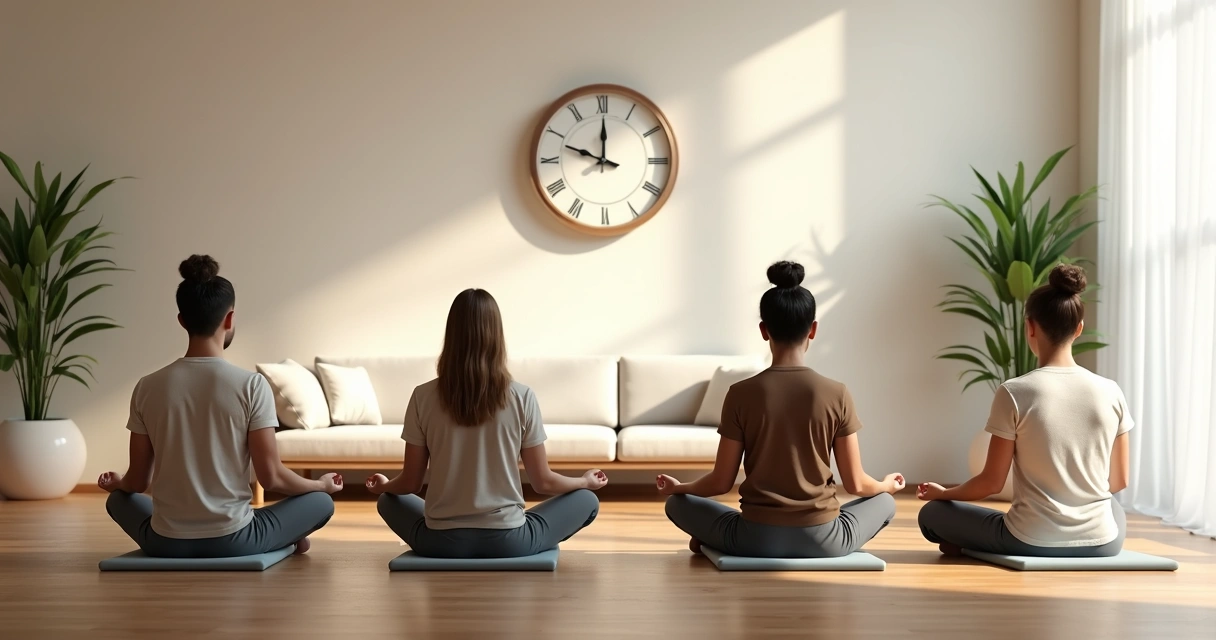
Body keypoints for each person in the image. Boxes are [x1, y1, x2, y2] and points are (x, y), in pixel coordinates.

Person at [100, 255, 343, 557]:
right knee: (320, 503)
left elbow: (137, 481)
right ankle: (286, 537)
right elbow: (272, 478)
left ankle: (284, 536)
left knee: (117, 500)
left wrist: (117, 483)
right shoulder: (252, 386)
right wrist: (320, 486)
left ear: (182, 321)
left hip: (165, 541)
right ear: (229, 319)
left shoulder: (147, 386)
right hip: (235, 539)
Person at [657, 261, 904, 558]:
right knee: (885, 502)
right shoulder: (837, 393)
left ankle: (713, 539)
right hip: (826, 540)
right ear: (812, 330)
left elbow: (720, 482)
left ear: (764, 330)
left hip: (754, 538)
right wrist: (887, 485)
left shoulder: (740, 394)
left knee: (677, 503)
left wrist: (680, 487)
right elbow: (856, 483)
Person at [367, 288, 606, 558]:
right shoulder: (522, 396)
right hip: (510, 541)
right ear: (497, 336)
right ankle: (536, 542)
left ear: (452, 334)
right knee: (587, 500)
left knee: (389, 501)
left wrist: (386, 485)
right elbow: (543, 483)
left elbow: (410, 483)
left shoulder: (422, 396)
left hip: (438, 542)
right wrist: (584, 481)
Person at [917, 264, 1131, 558]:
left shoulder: (1015, 391)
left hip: (1030, 539)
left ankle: (971, 545)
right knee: (1111, 506)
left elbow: (990, 483)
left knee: (932, 515)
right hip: (1103, 544)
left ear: (1030, 327)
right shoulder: (1111, 390)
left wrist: (944, 494)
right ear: (1079, 329)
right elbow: (1118, 481)